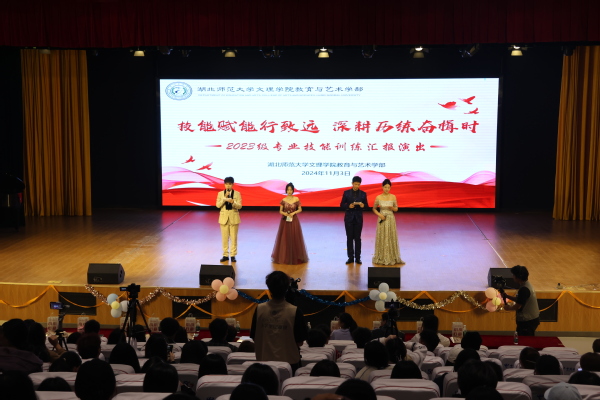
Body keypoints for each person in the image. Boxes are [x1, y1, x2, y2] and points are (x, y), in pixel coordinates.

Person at [250, 270, 307, 372]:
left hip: (264, 365)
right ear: (287, 288)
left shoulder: (259, 309)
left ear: (269, 288)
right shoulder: (295, 311)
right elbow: (300, 342)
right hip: (289, 365)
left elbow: (255, 337)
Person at [271, 182, 309, 264]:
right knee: (285, 238)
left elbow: (300, 209)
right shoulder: (283, 200)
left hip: (294, 220)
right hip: (285, 221)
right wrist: (285, 214)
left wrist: (293, 213)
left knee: (294, 237)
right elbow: (280, 211)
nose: (289, 191)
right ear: (286, 190)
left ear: (293, 190)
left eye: (291, 190)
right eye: (288, 190)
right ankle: (285, 256)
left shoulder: (296, 199)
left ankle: (295, 256)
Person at [501, 265, 540, 336]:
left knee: (525, 340)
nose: (512, 277)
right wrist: (507, 296)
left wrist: (508, 308)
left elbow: (518, 306)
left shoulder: (524, 289)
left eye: (513, 275)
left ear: (518, 277)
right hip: (531, 319)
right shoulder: (526, 285)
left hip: (527, 321)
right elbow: (521, 299)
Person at [372, 178, 404, 265]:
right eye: (385, 187)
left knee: (390, 236)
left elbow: (396, 209)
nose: (387, 189)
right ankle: (381, 256)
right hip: (382, 218)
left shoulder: (393, 197)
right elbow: (374, 209)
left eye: (388, 187)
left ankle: (392, 256)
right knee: (382, 236)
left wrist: (392, 208)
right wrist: (380, 215)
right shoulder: (378, 197)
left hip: (390, 218)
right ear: (382, 187)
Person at [340, 176, 368, 264]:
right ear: (352, 183)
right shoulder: (346, 193)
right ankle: (350, 257)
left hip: (358, 218)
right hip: (349, 218)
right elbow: (341, 205)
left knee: (357, 238)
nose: (357, 186)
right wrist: (348, 206)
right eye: (355, 184)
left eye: (358, 184)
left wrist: (363, 206)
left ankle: (358, 258)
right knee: (349, 238)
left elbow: (367, 206)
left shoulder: (363, 194)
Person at [216, 176, 242, 263]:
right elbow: (218, 205)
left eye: (230, 184)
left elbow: (240, 206)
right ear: (224, 184)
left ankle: (233, 255)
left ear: (233, 185)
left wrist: (233, 202)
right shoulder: (220, 194)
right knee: (224, 238)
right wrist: (224, 199)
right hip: (223, 218)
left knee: (233, 238)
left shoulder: (237, 194)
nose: (228, 186)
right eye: (226, 184)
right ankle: (225, 255)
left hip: (234, 218)